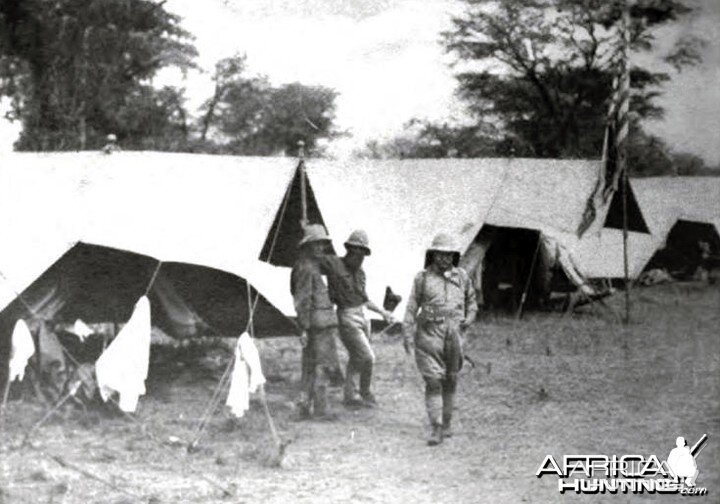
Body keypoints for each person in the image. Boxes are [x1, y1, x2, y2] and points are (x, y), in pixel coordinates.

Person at [403, 233, 477, 446]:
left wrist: (468, 319)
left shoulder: (461, 277)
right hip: (428, 336)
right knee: (433, 381)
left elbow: (471, 302)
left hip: (454, 335)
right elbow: (411, 307)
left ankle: (447, 422)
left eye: (449, 255)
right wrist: (407, 333)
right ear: (433, 254)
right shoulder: (422, 278)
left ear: (454, 256)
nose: (444, 259)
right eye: (440, 254)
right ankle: (435, 427)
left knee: (450, 380)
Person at [320, 230, 395, 408]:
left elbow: (364, 299)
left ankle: (349, 396)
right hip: (346, 316)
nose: (360, 255)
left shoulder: (361, 273)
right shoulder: (333, 263)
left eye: (363, 252)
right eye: (356, 251)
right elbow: (313, 260)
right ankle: (365, 391)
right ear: (349, 249)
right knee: (368, 357)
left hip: (363, 316)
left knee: (356, 357)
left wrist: (383, 313)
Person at [290, 224, 341, 420]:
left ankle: (305, 408)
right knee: (321, 366)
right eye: (316, 244)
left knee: (311, 367)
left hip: (319, 324)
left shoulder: (310, 266)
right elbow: (302, 300)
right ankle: (320, 409)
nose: (321, 248)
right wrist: (303, 328)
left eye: (322, 244)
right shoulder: (306, 268)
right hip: (317, 326)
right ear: (308, 246)